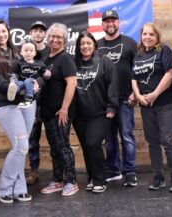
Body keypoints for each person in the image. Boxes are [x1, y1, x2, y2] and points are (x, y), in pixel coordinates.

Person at [0, 19, 37, 203]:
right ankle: (4, 188)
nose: (1, 35)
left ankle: (19, 188)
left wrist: (34, 84)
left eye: (3, 31)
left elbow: (28, 72)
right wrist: (14, 88)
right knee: (21, 146)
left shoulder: (16, 54)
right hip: (6, 105)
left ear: (8, 32)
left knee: (21, 148)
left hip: (27, 104)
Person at [132, 23, 172, 192]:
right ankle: (158, 177)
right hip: (146, 107)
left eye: (151, 34)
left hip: (166, 104)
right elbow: (134, 78)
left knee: (167, 141)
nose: (147, 37)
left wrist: (155, 93)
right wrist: (138, 95)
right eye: (144, 34)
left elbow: (170, 74)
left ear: (157, 37)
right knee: (152, 142)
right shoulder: (138, 55)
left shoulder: (164, 51)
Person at [73, 31, 119, 193]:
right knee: (86, 146)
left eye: (88, 43)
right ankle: (92, 177)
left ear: (94, 45)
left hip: (100, 113)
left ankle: (101, 179)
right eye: (82, 44)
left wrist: (112, 108)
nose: (85, 46)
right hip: (79, 115)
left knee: (93, 143)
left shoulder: (104, 61)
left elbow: (113, 84)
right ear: (78, 47)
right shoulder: (73, 63)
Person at [97, 9, 138, 187]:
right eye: (107, 21)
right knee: (109, 139)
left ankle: (130, 172)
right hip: (104, 102)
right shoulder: (96, 45)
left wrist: (135, 93)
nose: (110, 24)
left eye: (113, 21)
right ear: (102, 24)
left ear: (118, 23)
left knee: (127, 137)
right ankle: (114, 170)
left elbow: (139, 69)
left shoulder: (130, 43)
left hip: (124, 99)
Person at [40, 23, 79, 196]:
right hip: (48, 113)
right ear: (48, 38)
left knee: (63, 146)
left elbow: (72, 83)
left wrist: (64, 109)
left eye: (59, 37)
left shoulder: (65, 58)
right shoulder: (46, 58)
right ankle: (57, 180)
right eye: (53, 36)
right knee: (54, 147)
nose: (55, 39)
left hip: (61, 112)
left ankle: (71, 181)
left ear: (64, 39)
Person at [26, 20, 51, 185]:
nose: (38, 33)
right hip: (32, 102)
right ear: (30, 33)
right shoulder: (27, 53)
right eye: (35, 30)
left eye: (41, 30)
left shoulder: (51, 52)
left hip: (49, 102)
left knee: (54, 138)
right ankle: (34, 171)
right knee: (32, 139)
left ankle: (59, 171)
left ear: (45, 34)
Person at [7, 38, 51, 108]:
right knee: (19, 83)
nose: (28, 52)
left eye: (31, 50)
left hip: (32, 83)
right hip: (22, 83)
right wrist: (12, 82)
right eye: (26, 50)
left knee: (28, 81)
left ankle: (28, 99)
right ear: (21, 52)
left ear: (35, 52)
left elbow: (45, 74)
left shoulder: (40, 64)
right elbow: (15, 75)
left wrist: (47, 74)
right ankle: (13, 92)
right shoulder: (19, 63)